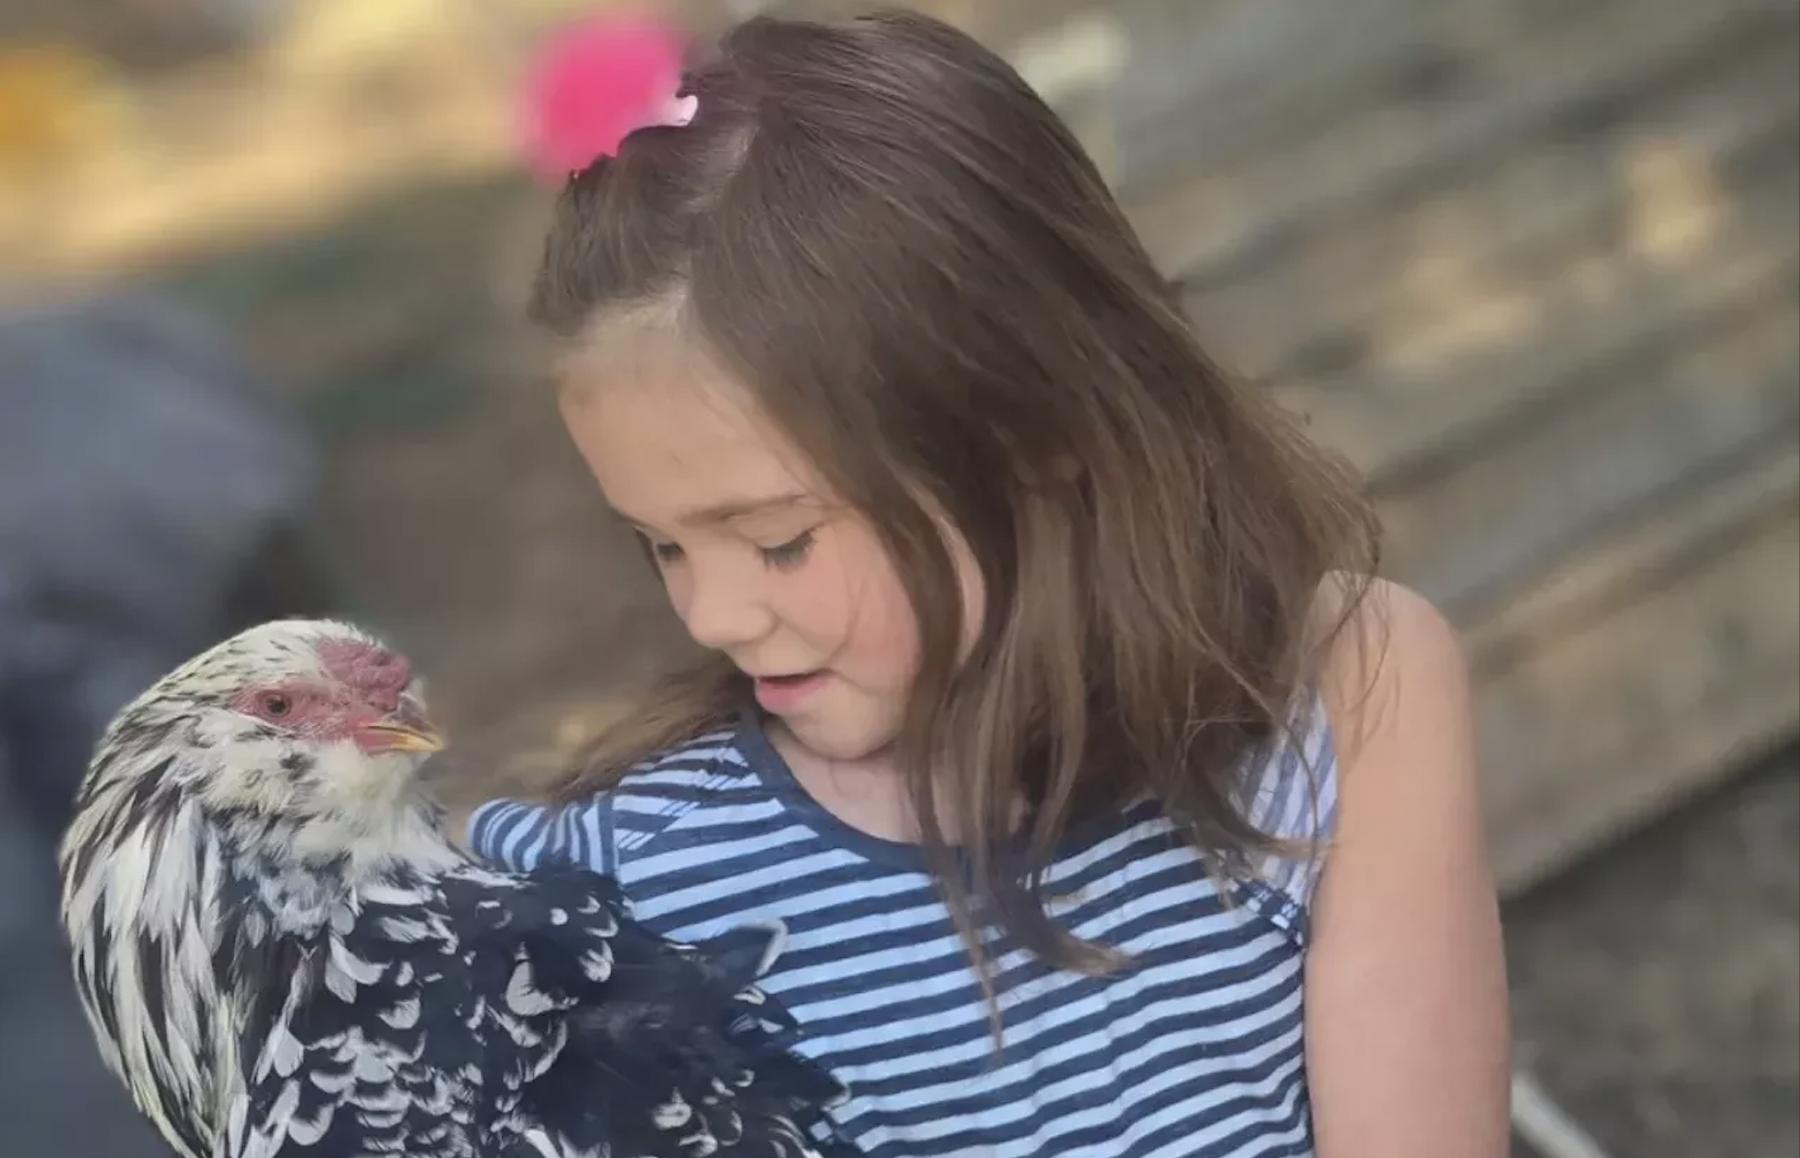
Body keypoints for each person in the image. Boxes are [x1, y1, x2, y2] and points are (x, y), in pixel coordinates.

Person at [465, 9, 1510, 1156]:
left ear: (1036, 432)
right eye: (661, 544)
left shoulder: (1347, 697)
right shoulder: (617, 894)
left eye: (778, 541)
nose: (711, 615)